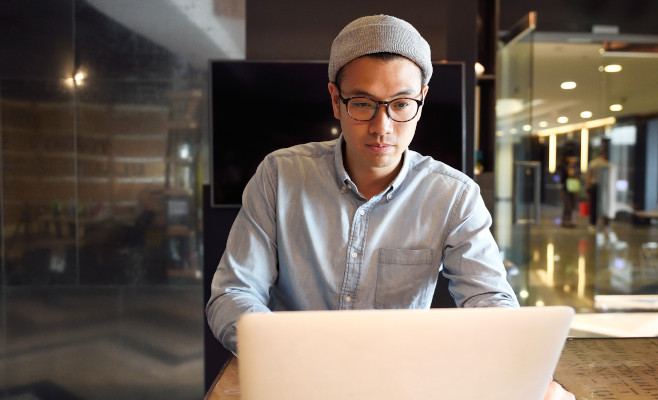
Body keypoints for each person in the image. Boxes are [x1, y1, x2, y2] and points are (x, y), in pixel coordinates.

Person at [206, 14, 573, 400]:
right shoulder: (279, 176)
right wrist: (289, 355)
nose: (382, 127)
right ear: (335, 99)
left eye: (401, 104)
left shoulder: (454, 195)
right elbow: (233, 293)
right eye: (362, 103)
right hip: (295, 381)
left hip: (400, 386)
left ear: (422, 100)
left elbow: (489, 299)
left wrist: (516, 363)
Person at [585, 147, 610, 228]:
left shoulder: (593, 163)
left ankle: (593, 223)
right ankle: (605, 223)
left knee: (594, 205)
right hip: (603, 186)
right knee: (604, 205)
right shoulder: (607, 164)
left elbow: (588, 176)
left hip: (594, 185)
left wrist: (588, 187)